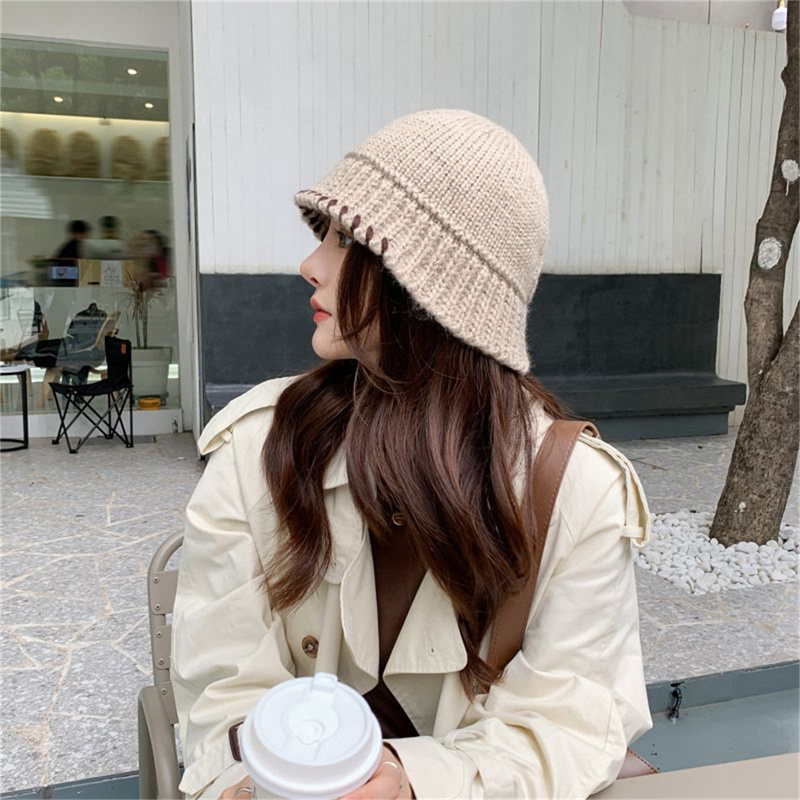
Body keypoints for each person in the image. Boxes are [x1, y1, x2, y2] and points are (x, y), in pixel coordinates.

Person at [172, 109, 654, 800]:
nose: (308, 265)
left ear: (428, 285)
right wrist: (248, 784)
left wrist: (414, 783)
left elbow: (566, 728)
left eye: (344, 239)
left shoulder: (577, 491)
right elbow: (221, 690)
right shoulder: (260, 448)